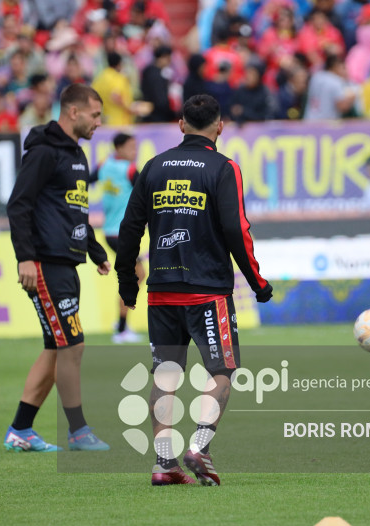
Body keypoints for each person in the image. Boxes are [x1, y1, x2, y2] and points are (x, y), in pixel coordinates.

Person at [116, 94, 273, 486]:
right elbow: (237, 229)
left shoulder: (153, 167)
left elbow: (129, 228)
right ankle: (199, 446)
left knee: (165, 373)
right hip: (207, 290)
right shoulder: (224, 168)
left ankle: (164, 463)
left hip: (162, 291)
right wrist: (257, 282)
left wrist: (126, 283)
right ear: (219, 127)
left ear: (181, 124)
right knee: (222, 369)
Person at [4, 84, 111, 452]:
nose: (99, 122)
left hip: (67, 262)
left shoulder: (76, 155)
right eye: (95, 115)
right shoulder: (45, 152)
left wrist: (96, 251)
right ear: (73, 112)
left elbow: (74, 211)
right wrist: (25, 257)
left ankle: (21, 428)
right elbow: (19, 205)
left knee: (56, 347)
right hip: (46, 264)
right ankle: (78, 431)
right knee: (73, 345)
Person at [97, 133, 144, 343]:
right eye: (131, 147)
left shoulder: (103, 165)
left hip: (110, 231)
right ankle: (121, 328)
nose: (135, 151)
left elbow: (84, 180)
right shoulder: (130, 170)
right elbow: (149, 191)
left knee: (136, 275)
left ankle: (121, 324)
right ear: (118, 148)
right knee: (136, 275)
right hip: (122, 233)